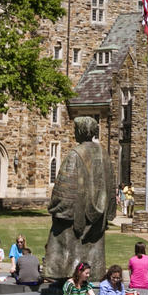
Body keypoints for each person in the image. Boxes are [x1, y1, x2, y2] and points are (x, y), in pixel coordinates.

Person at [45, 116, 116, 281]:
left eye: (76, 129)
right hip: (98, 217)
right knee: (93, 248)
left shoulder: (76, 154)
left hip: (78, 215)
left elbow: (65, 187)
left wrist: (57, 207)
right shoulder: (104, 154)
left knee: (60, 235)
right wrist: (108, 211)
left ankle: (62, 273)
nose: (75, 132)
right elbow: (111, 185)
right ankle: (94, 274)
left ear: (82, 131)